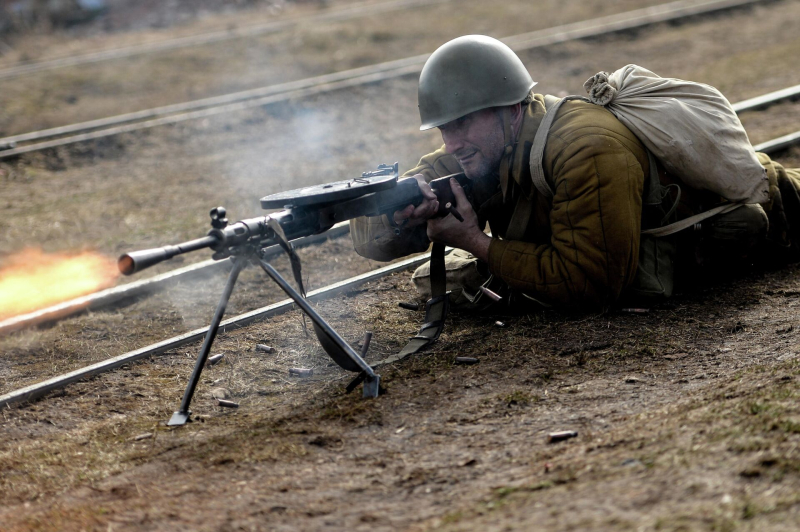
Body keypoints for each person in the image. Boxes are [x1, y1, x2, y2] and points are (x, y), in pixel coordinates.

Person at [350, 35, 800, 310]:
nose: (451, 144)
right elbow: (369, 236)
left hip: (777, 207)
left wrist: (475, 243)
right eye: (444, 129)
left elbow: (589, 284)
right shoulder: (483, 147)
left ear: (510, 109)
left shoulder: (587, 149)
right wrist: (397, 210)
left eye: (462, 124)